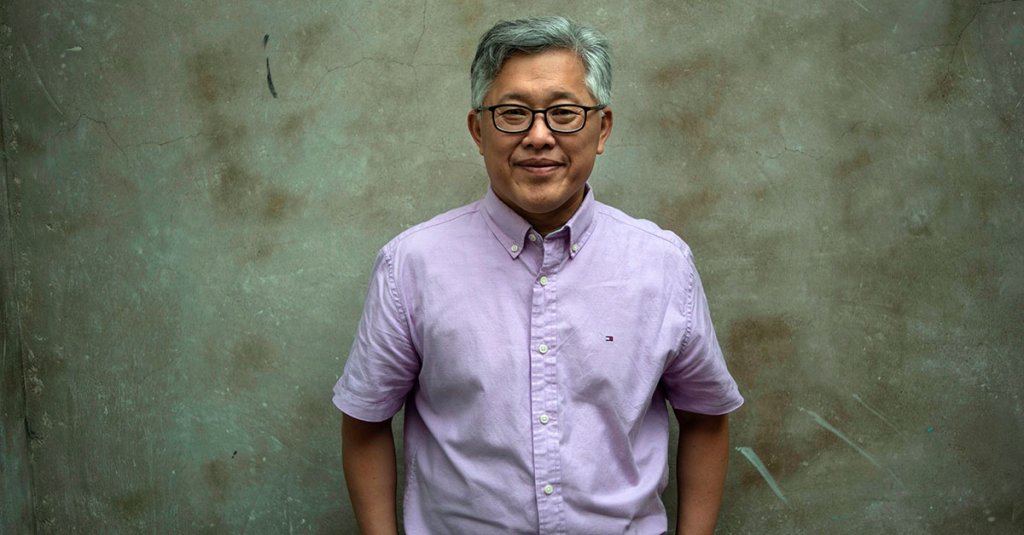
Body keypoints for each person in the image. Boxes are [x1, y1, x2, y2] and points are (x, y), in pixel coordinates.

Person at [333, 15, 743, 535]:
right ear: (479, 130)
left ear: (603, 129)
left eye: (565, 113)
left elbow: (706, 415)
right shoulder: (411, 265)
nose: (539, 136)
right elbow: (365, 421)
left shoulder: (662, 264)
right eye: (513, 113)